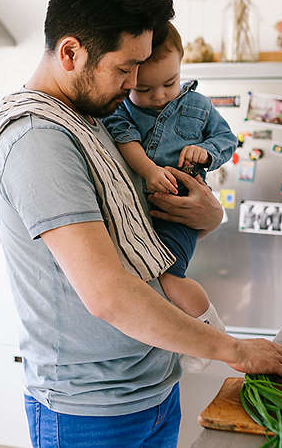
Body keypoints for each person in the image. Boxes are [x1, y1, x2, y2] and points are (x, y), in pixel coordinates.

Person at [0, 0, 282, 447]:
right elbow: (109, 294)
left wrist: (209, 213)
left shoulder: (93, 119)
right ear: (70, 52)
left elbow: (147, 232)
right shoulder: (37, 140)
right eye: (125, 68)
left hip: (152, 387)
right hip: (91, 411)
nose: (135, 83)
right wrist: (236, 350)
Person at [101, 22, 236, 372]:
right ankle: (182, 340)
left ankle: (211, 331)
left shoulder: (199, 106)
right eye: (144, 88)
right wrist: (148, 171)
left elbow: (227, 141)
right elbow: (125, 141)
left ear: (181, 68)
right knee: (144, 284)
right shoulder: (122, 111)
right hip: (140, 216)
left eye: (169, 83)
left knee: (170, 278)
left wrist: (205, 152)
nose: (159, 96)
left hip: (179, 215)